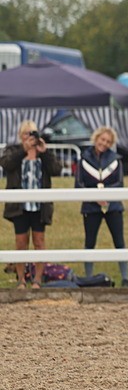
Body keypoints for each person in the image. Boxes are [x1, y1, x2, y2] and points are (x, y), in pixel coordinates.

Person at [1, 120, 62, 288]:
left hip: (39, 206)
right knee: (21, 243)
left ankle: (37, 280)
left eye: (33, 133)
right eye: (26, 134)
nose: (30, 137)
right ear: (21, 136)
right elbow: (6, 164)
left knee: (39, 242)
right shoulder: (14, 150)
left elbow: (56, 170)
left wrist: (45, 152)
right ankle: (21, 279)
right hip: (19, 206)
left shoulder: (43, 153)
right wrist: (23, 150)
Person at [76, 125, 128, 287]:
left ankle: (125, 278)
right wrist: (95, 197)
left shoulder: (115, 160)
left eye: (108, 141)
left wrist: (106, 195)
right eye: (102, 139)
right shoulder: (84, 159)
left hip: (113, 206)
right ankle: (89, 278)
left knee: (119, 241)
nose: (104, 143)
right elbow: (79, 185)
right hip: (91, 207)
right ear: (96, 138)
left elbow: (120, 183)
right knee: (90, 242)